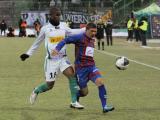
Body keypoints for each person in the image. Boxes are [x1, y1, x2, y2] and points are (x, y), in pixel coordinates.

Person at [20, 7, 85, 109]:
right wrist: (28, 54)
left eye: (60, 15)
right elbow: (37, 43)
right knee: (50, 85)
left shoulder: (64, 26)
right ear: (50, 15)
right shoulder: (45, 29)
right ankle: (36, 90)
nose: (59, 17)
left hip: (63, 58)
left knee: (72, 76)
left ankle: (74, 102)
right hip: (51, 61)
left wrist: (87, 28)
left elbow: (73, 32)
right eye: (57, 15)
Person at [52, 22, 114, 113]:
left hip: (91, 67)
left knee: (100, 82)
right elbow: (65, 40)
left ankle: (105, 107)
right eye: (92, 31)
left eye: (95, 31)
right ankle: (75, 99)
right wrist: (57, 49)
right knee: (84, 93)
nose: (94, 33)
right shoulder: (79, 37)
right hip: (81, 69)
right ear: (86, 30)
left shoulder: (93, 39)